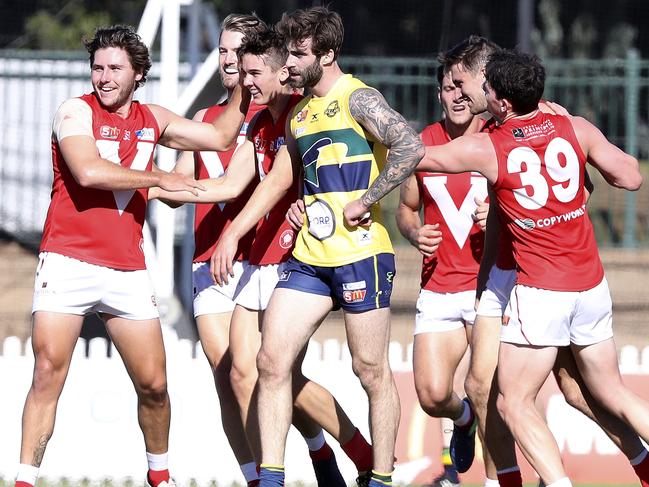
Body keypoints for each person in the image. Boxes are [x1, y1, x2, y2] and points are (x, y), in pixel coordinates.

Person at [15, 25, 250, 487]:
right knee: (47, 374)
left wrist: (243, 78)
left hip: (126, 269)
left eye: (114, 68)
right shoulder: (73, 112)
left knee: (155, 387)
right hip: (68, 261)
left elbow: (221, 136)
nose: (103, 77)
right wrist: (160, 177)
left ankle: (159, 478)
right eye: (97, 67)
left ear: (138, 73)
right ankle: (23, 480)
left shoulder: (153, 118)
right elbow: (87, 171)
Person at [202, 6, 424, 487]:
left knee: (370, 369)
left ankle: (381, 476)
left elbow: (410, 146)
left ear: (327, 54)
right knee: (269, 361)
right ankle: (273, 478)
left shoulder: (358, 99)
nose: (290, 65)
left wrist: (368, 198)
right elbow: (284, 178)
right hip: (310, 258)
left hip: (362, 253)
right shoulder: (299, 115)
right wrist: (263, 219)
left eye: (299, 55)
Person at [153, 24, 374, 486]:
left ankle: (359, 454)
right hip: (254, 258)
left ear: (280, 71)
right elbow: (232, 185)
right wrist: (156, 184)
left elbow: (345, 161)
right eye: (230, 57)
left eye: (254, 69)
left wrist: (321, 204)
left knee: (279, 374)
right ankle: (273, 474)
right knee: (240, 374)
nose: (243, 74)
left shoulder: (303, 114)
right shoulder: (254, 123)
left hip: (295, 260)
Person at [418, 48, 649, 487]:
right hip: (586, 281)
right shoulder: (571, 125)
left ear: (499, 95)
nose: (463, 93)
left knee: (531, 399)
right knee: (490, 389)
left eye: (472, 84)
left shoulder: (493, 142)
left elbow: (424, 157)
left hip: (534, 282)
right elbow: (628, 177)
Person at [159, 13, 266, 487]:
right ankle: (257, 477)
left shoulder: (272, 118)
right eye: (221, 50)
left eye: (236, 51)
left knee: (256, 375)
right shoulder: (204, 121)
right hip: (208, 263)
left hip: (259, 260)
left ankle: (306, 455)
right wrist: (142, 182)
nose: (227, 59)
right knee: (227, 379)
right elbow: (186, 180)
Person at [395, 65, 487, 487]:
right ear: (438, 95)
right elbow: (405, 209)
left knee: (499, 394)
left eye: (462, 87)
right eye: (448, 88)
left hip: (492, 289)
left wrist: (500, 215)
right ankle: (462, 419)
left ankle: (513, 477)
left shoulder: (497, 138)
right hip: (439, 286)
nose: (456, 96)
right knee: (433, 396)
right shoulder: (422, 145)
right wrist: (415, 232)